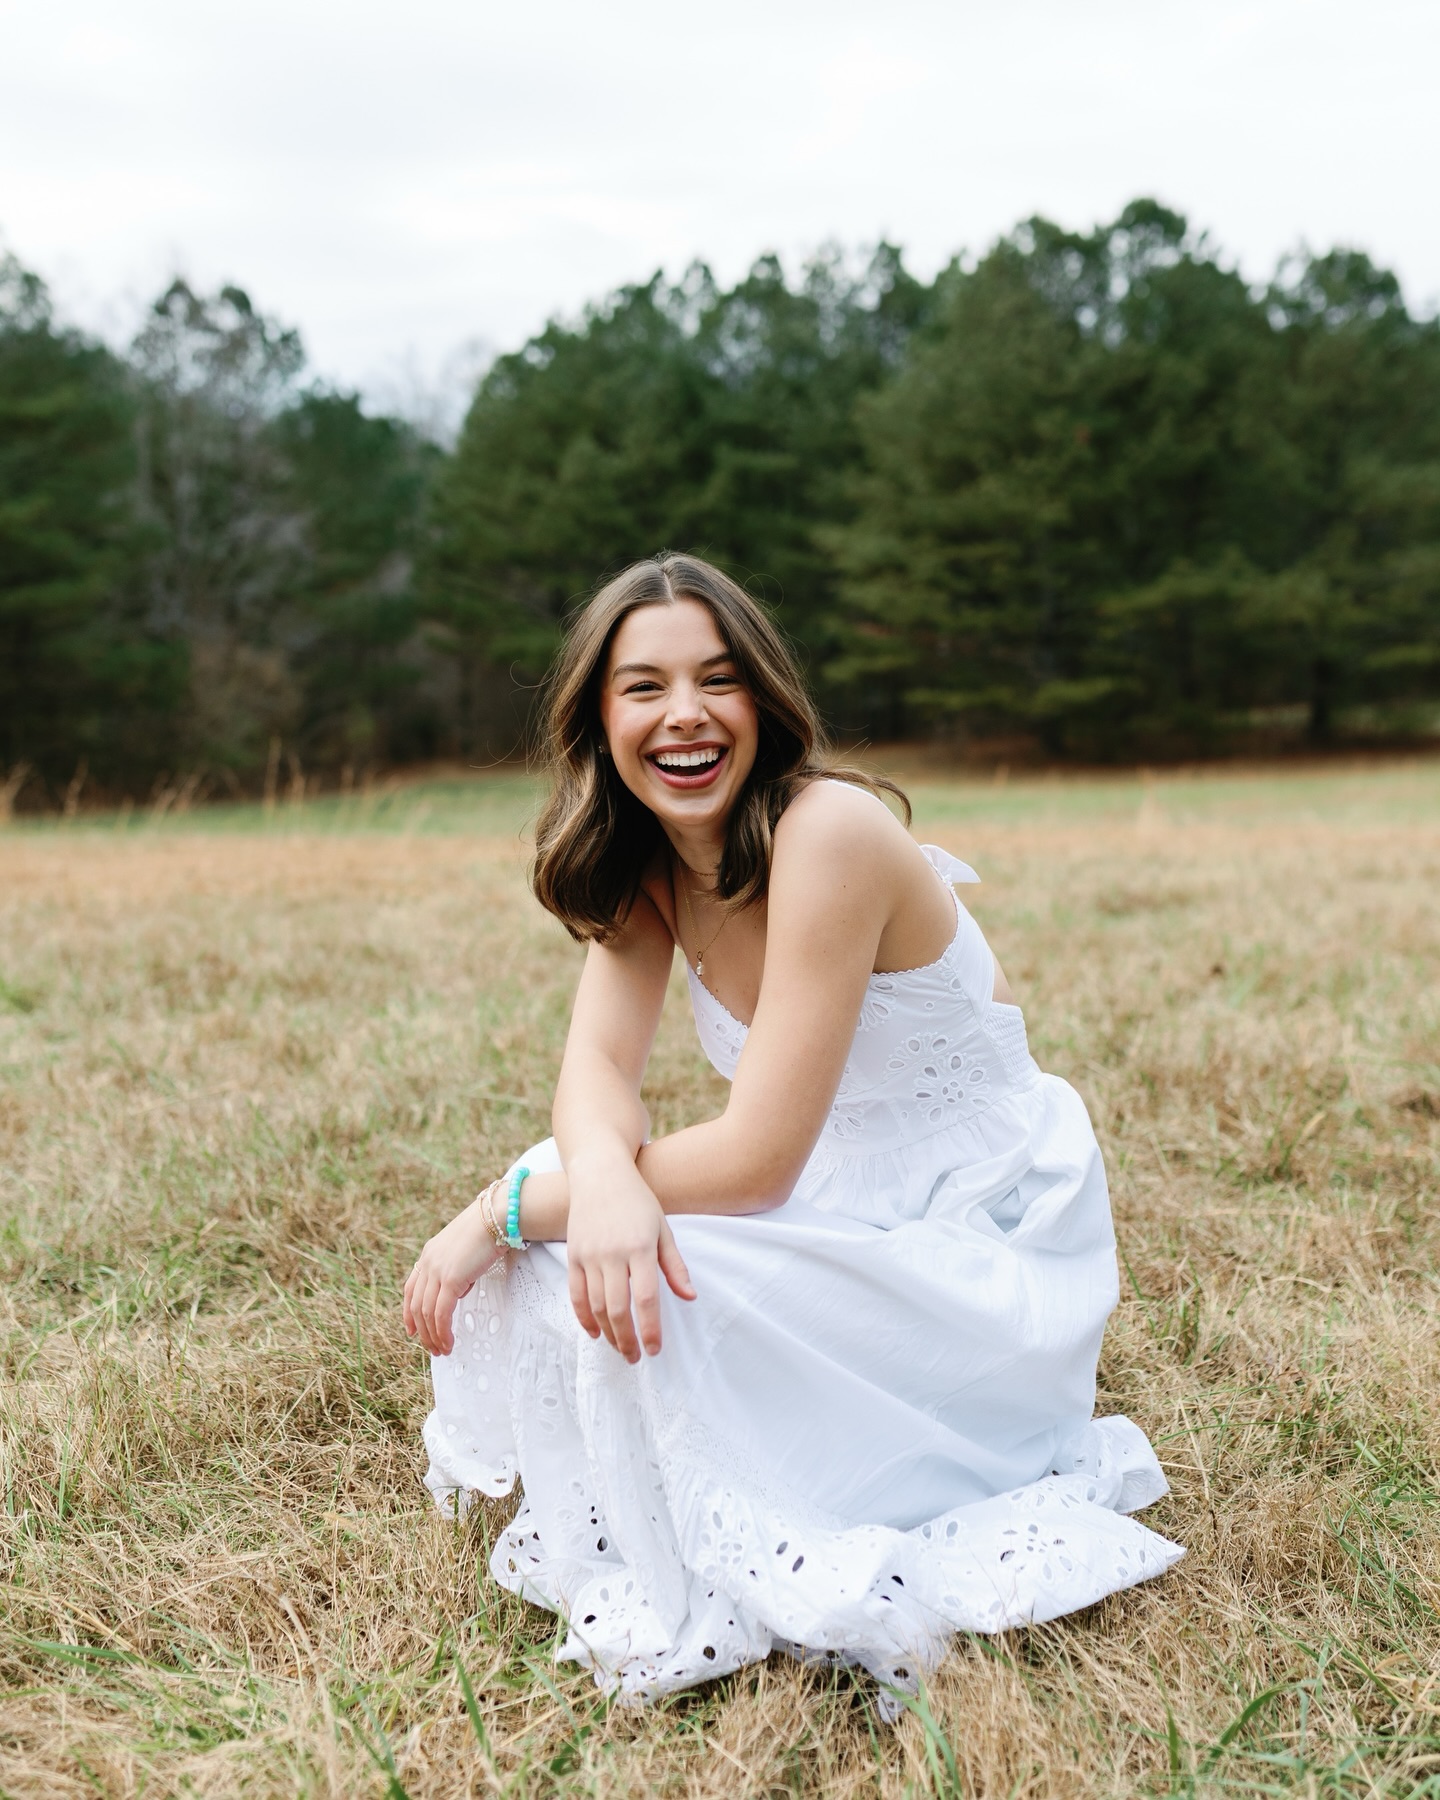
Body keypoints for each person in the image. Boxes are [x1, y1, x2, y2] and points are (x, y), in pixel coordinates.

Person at [404, 553, 1182, 1705]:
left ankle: (775, 1502)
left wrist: (497, 1214)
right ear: (598, 718)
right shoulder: (647, 862)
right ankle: (659, 1491)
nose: (685, 715)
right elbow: (597, 1069)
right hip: (834, 1197)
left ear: (764, 699)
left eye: (718, 679)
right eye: (643, 687)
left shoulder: (832, 831)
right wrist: (596, 1181)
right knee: (572, 1193)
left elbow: (760, 1161)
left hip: (971, 1236)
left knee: (554, 1216)